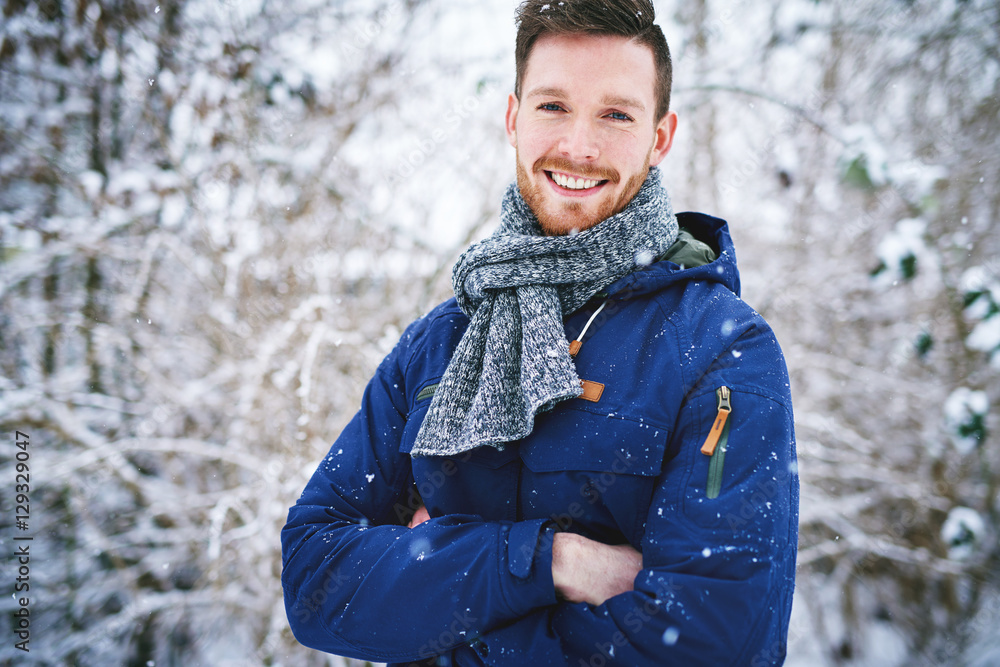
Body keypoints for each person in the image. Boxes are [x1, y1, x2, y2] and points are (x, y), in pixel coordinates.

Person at [281, 1, 799, 665]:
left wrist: (434, 610)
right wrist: (550, 560)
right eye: (553, 106)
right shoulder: (437, 343)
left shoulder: (721, 350)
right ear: (513, 118)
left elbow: (713, 642)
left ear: (660, 137)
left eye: (616, 114)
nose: (579, 146)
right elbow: (315, 577)